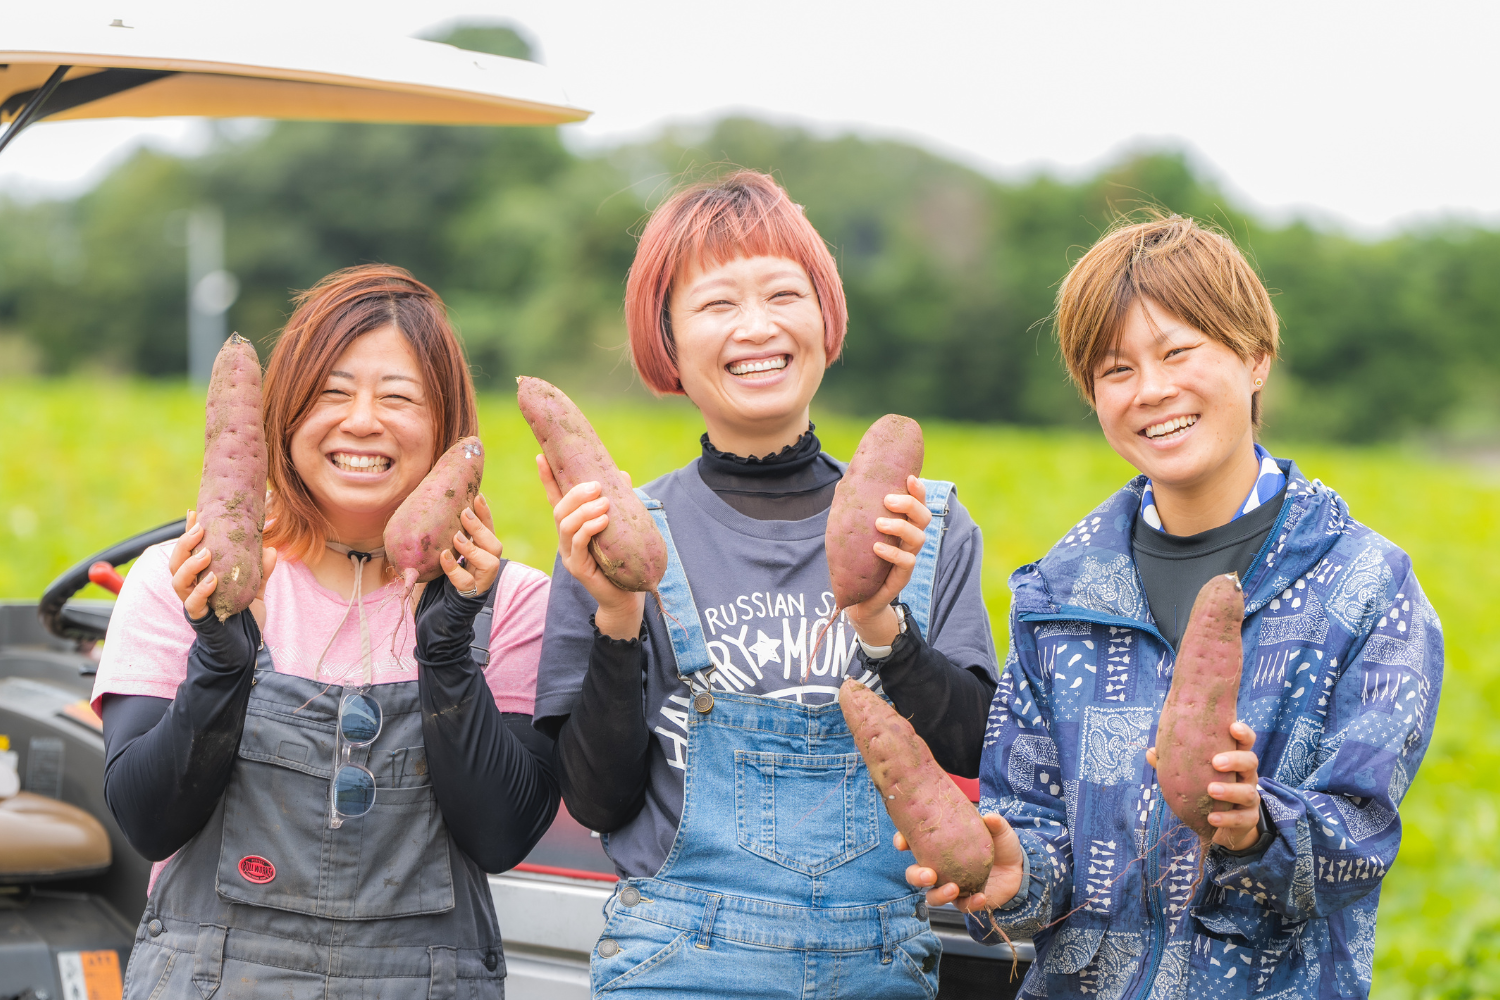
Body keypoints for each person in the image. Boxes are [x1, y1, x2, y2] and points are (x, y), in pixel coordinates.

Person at [900, 214, 1443, 999]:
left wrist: (1255, 827)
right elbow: (1035, 824)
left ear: (1256, 358)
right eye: (1116, 369)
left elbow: (1358, 841)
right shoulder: (1060, 595)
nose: (1152, 391)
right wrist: (1014, 867)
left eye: (1178, 351)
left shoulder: (1364, 587)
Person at [533, 170, 1000, 998]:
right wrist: (616, 616)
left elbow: (969, 749)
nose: (757, 327)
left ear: (825, 317)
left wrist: (886, 628)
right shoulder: (619, 539)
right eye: (717, 304)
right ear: (668, 342)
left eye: (784, 293)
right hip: (676, 963)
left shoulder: (922, 525)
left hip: (878, 967)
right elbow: (600, 801)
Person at [93, 265, 559, 1000]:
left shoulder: (512, 603)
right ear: (283, 415)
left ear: (446, 426)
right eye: (333, 393)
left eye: (398, 397)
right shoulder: (182, 579)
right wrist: (220, 662)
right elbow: (149, 822)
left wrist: (447, 649)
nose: (362, 421)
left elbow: (500, 836)